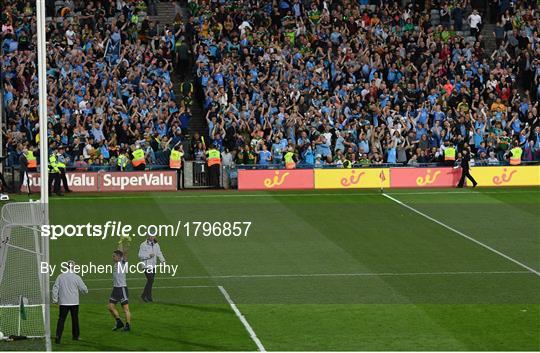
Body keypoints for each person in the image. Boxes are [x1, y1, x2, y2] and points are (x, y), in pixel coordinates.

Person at [52, 260, 88, 344]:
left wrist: (55, 299)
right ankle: (75, 336)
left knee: (61, 319)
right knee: (75, 319)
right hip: (74, 302)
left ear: (67, 266)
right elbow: (83, 288)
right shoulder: (76, 277)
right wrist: (85, 291)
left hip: (63, 302)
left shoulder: (60, 276)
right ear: (74, 267)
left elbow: (55, 288)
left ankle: (58, 337)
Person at [108, 249, 131, 332]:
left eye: (114, 256)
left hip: (122, 288)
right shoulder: (116, 264)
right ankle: (119, 322)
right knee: (110, 307)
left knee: (125, 309)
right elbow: (120, 251)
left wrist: (124, 251)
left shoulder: (122, 263)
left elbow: (124, 256)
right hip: (115, 288)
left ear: (118, 257)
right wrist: (120, 241)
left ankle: (128, 325)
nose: (112, 257)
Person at [138, 235, 166, 302]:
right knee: (150, 280)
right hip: (146, 266)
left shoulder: (156, 244)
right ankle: (144, 295)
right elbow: (140, 255)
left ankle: (149, 296)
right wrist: (148, 256)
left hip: (153, 265)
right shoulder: (143, 245)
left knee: (150, 281)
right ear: (148, 236)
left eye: (153, 236)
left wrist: (163, 260)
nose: (152, 238)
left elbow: (159, 253)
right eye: (150, 236)